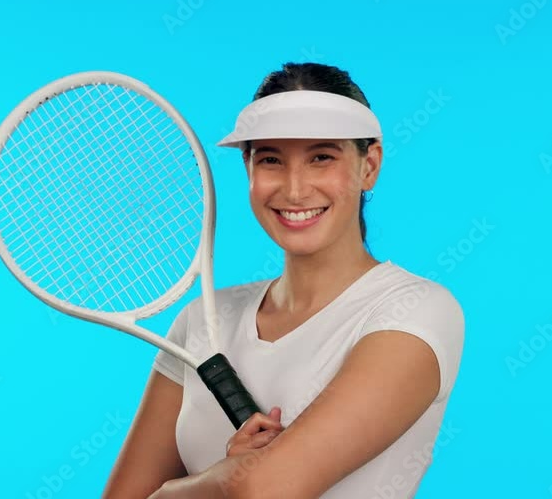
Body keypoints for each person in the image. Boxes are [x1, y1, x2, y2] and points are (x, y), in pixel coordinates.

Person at [103, 62, 465, 499]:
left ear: (369, 165)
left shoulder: (416, 310)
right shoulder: (202, 319)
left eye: (321, 157)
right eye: (271, 159)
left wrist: (203, 485)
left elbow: (264, 489)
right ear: (249, 169)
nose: (294, 190)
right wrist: (224, 479)